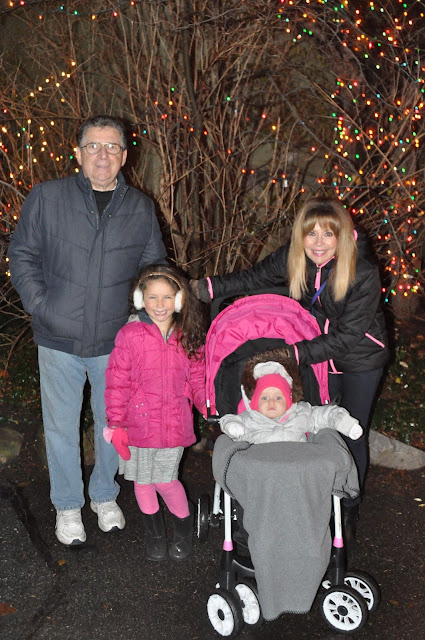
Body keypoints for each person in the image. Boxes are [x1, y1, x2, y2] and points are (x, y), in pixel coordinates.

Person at [7, 115, 167, 546]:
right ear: (78, 153)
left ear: (125, 156)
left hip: (114, 341)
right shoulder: (48, 197)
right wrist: (41, 306)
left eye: (112, 146)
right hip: (58, 337)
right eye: (93, 146)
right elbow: (22, 255)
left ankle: (103, 495)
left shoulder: (140, 207)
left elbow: (154, 269)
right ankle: (67, 505)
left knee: (113, 424)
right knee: (61, 427)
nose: (102, 154)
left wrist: (142, 320)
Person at [192, 196, 389, 536]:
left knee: (350, 429)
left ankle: (348, 505)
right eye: (311, 234)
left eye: (328, 234)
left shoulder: (363, 272)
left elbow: (346, 336)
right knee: (314, 426)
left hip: (359, 358)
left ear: (341, 236)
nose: (319, 243)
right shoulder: (294, 257)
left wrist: (293, 354)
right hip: (316, 354)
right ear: (301, 236)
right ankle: (312, 497)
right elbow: (254, 278)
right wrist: (212, 288)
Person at [104, 265, 207, 561]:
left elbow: (198, 379)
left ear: (179, 299)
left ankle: (183, 531)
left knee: (165, 481)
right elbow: (117, 382)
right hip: (138, 424)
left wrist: (207, 406)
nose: (159, 304)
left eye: (166, 297)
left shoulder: (188, 336)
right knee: (143, 482)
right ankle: (155, 536)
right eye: (152, 297)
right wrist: (116, 423)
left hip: (174, 424)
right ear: (141, 299)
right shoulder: (129, 335)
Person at [220, 354, 363, 444]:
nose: (271, 402)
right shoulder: (250, 419)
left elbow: (326, 415)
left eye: (278, 397)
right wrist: (232, 425)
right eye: (264, 398)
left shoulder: (301, 413)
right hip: (261, 471)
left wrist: (346, 424)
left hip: (297, 469)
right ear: (254, 403)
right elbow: (230, 419)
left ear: (289, 400)